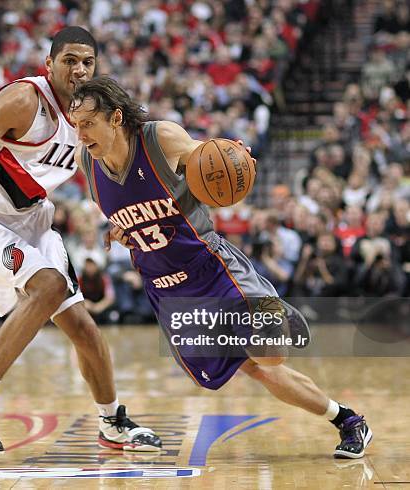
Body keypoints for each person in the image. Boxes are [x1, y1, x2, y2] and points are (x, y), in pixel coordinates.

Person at [69, 76, 372, 459]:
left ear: (115, 118)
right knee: (256, 369)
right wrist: (124, 232)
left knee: (270, 354)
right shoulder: (88, 163)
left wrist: (234, 158)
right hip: (167, 289)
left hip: (210, 268)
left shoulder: (158, 139)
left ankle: (274, 314)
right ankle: (348, 420)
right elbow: (134, 214)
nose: (80, 134)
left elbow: (209, 156)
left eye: (87, 124)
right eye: (75, 125)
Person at [0, 27, 161, 453]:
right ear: (49, 64)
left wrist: (119, 218)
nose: (79, 69)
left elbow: (101, 176)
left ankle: (112, 422)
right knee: (47, 284)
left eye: (87, 61)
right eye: (70, 60)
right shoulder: (24, 101)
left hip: (30, 219)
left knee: (84, 329)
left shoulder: (91, 115)